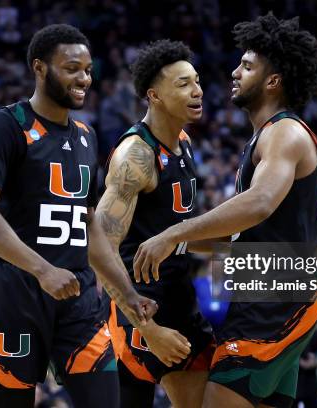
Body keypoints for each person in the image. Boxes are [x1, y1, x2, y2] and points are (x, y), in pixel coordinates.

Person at [133, 13, 317, 407]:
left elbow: (259, 203)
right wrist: (178, 246)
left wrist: (175, 232)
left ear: (272, 81)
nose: (234, 71)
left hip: (278, 297)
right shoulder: (264, 137)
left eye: (247, 66)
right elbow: (238, 234)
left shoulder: (284, 133)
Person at [0, 24, 156, 408]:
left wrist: (127, 292)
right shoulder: (6, 125)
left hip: (78, 293)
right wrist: (42, 270)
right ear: (40, 68)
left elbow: (89, 226)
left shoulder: (86, 135)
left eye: (87, 69)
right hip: (14, 289)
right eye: (71, 68)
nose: (83, 78)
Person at [95, 39, 214, 408]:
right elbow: (98, 247)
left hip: (181, 299)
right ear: (155, 95)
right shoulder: (135, 157)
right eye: (182, 84)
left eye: (196, 81)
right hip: (142, 313)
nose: (196, 91)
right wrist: (148, 330)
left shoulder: (182, 140)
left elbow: (185, 231)